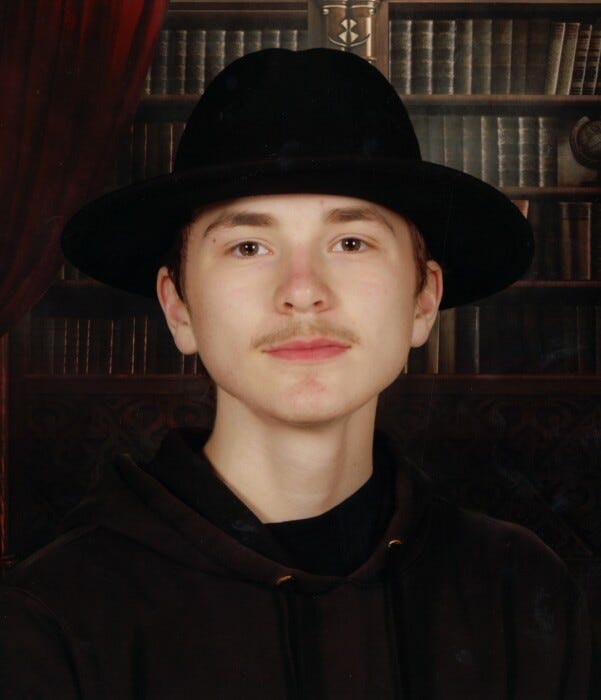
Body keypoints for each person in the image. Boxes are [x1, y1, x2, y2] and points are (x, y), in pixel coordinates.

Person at [0, 48, 596, 699]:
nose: (303, 291)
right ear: (179, 309)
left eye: (351, 242)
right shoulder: (48, 620)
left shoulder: (520, 591)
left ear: (423, 301)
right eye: (249, 246)